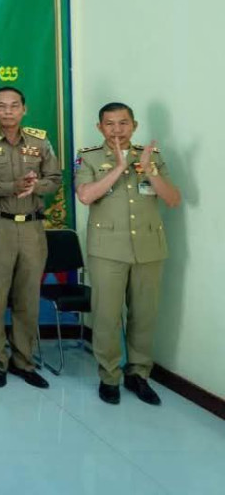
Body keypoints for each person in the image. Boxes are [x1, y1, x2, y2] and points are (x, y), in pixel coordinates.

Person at [75, 102, 180, 406]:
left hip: (149, 248)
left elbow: (173, 199)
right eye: (110, 124)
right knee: (107, 316)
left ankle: (139, 374)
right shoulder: (89, 157)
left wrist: (150, 171)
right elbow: (86, 196)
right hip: (107, 250)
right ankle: (109, 377)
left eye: (123, 123)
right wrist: (119, 168)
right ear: (100, 127)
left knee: (144, 315)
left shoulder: (152, 157)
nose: (117, 130)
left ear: (134, 125)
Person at [0, 87, 61, 389]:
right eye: (2, 106)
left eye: (14, 105)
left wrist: (36, 186)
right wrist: (10, 187)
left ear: (24, 109)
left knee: (28, 298)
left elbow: (55, 179)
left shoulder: (39, 141)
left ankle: (24, 361)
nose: (8, 111)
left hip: (32, 228)